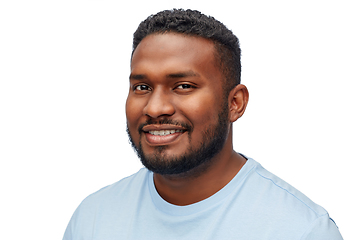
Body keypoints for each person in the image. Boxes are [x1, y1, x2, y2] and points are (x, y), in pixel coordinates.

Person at [63, 9, 343, 239]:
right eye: (142, 87)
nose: (155, 107)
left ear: (235, 103)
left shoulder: (302, 230)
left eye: (183, 86)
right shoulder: (92, 220)